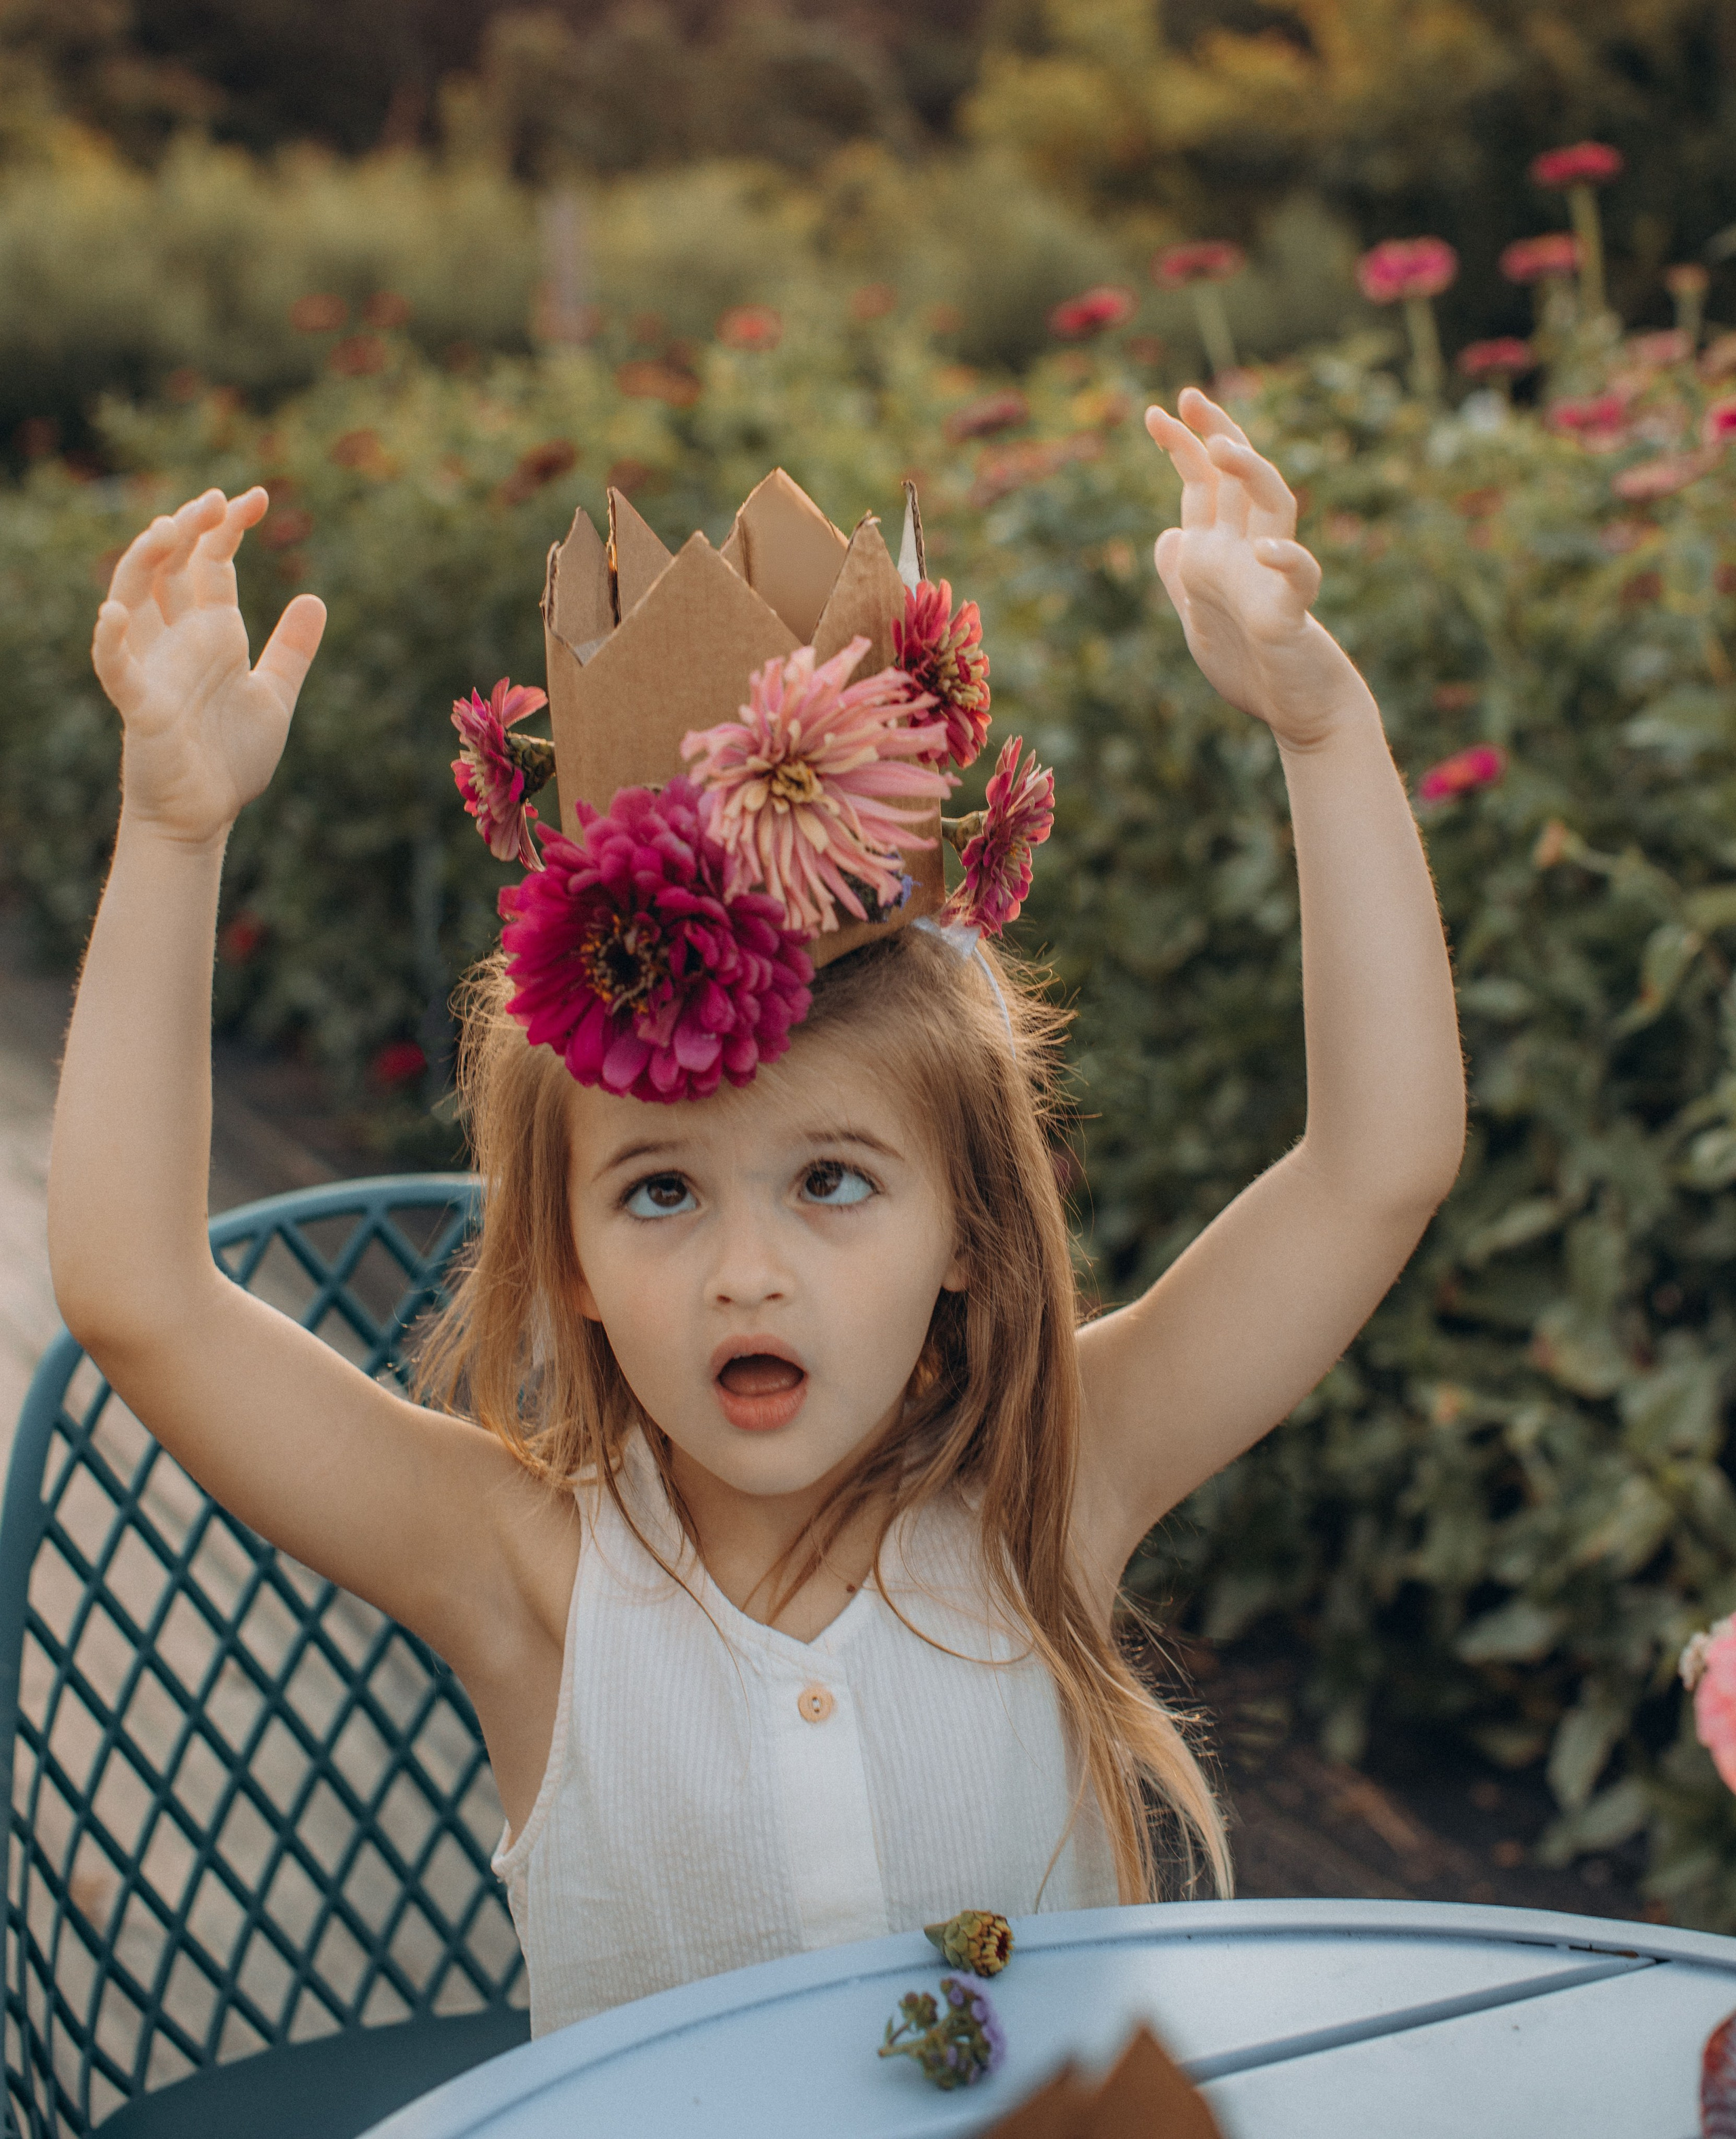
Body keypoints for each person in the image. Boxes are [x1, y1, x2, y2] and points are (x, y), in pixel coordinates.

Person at [47, 389, 1465, 2035]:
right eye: (657, 1190)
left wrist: (1322, 727)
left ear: (971, 1237)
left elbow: (1378, 1163)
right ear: (565, 1258)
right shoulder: (526, 1575)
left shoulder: (1048, 1496)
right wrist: (172, 825)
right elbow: (135, 1290)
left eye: (832, 1181)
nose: (744, 1271)